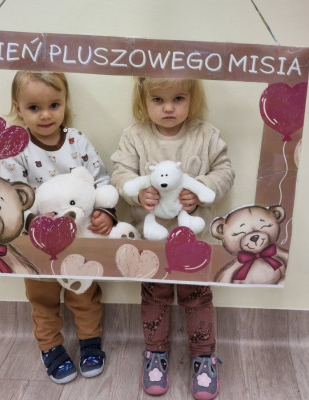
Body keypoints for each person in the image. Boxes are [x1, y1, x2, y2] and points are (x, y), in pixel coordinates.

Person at [111, 77, 235, 399]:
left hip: (195, 241)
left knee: (198, 298)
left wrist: (201, 188)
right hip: (152, 242)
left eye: (178, 98)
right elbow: (120, 174)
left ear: (192, 98)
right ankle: (155, 352)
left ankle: (204, 356)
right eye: (158, 99)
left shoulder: (206, 135)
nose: (169, 108)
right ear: (143, 100)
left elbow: (225, 172)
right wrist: (138, 194)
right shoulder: (135, 136)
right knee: (155, 297)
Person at [1, 71, 114, 384]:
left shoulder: (77, 141)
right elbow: (10, 196)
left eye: (54, 105)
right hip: (37, 242)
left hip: (79, 238)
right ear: (18, 108)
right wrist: (32, 220)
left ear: (65, 103)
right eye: (34, 107)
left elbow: (101, 180)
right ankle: (50, 346)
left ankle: (90, 341)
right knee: (43, 298)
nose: (46, 115)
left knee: (85, 294)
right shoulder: (17, 149)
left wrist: (105, 212)